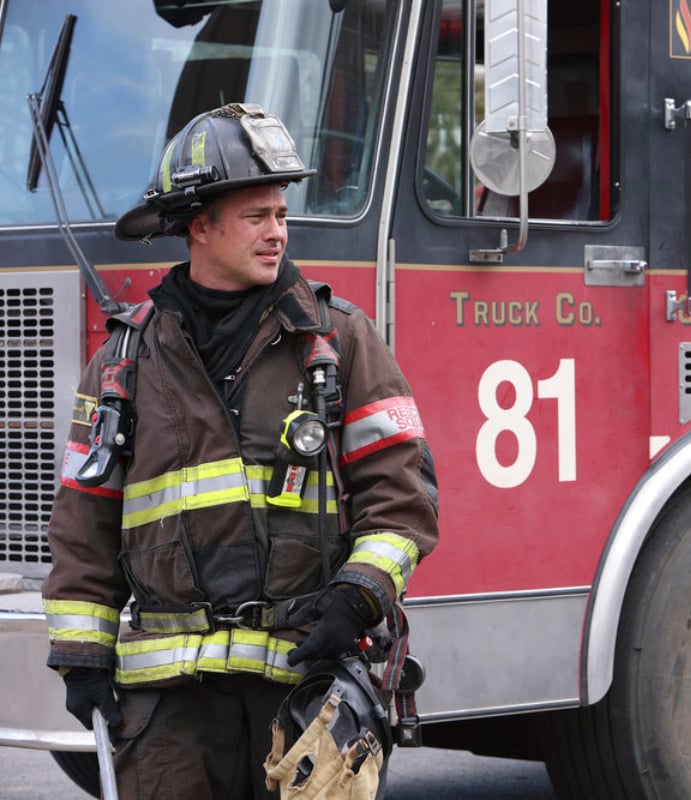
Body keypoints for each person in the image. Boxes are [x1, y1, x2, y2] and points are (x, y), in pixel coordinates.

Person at [41, 103, 439, 799]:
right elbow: (85, 518)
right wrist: (82, 658)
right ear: (200, 224)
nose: (277, 232)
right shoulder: (123, 363)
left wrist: (359, 596)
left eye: (281, 214)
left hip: (301, 691)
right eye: (257, 216)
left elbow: (404, 497)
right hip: (169, 710)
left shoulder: (339, 343)